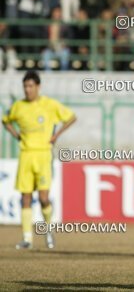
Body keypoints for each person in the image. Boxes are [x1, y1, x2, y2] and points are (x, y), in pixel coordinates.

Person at [2, 70, 77, 250]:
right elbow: (6, 121)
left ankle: (48, 231)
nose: (27, 90)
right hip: (25, 154)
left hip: (43, 155)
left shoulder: (49, 105)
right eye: (25, 86)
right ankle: (27, 238)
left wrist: (56, 135)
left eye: (30, 86)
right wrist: (17, 135)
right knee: (25, 197)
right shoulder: (18, 106)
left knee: (43, 198)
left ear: (38, 87)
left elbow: (71, 117)